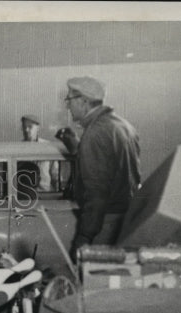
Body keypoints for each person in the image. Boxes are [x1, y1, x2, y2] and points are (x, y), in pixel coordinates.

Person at [64, 76, 140, 258]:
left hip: (103, 224)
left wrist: (84, 236)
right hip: (126, 218)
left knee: (94, 278)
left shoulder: (94, 134)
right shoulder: (123, 125)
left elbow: (97, 193)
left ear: (83, 102)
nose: (67, 106)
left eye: (69, 100)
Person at [20, 114, 53, 192]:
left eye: (30, 127)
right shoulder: (19, 148)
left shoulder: (47, 146)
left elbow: (55, 174)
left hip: (44, 194)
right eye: (24, 127)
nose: (26, 130)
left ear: (38, 128)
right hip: (25, 195)